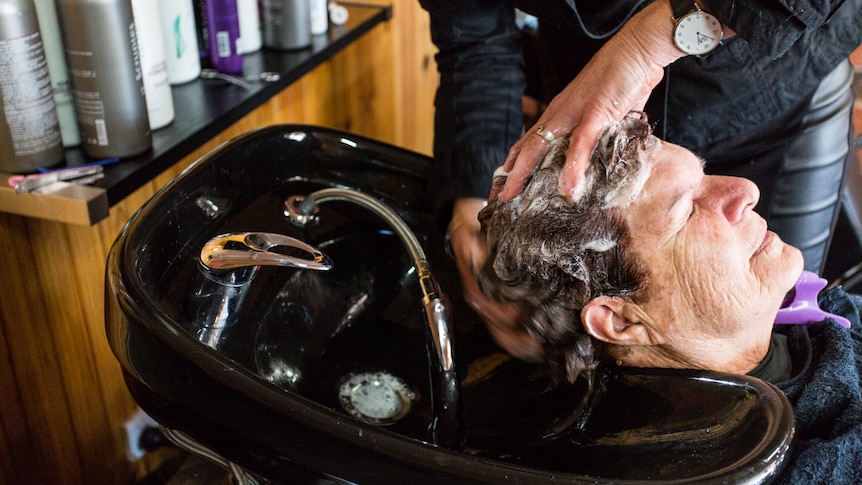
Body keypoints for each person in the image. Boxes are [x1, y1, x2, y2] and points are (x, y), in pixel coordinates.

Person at [418, 0, 861, 351]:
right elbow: (474, 43)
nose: (748, 194)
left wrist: (650, 41)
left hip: (768, 83)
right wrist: (472, 195)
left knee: (764, 319)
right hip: (594, 97)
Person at [477, 111, 862, 483]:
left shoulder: (824, 319)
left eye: (705, 173)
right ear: (621, 319)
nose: (746, 190)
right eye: (688, 211)